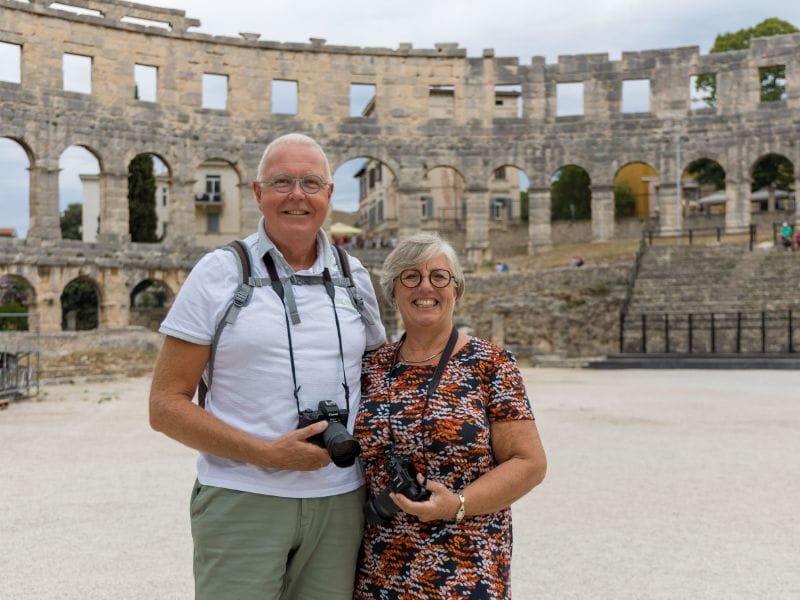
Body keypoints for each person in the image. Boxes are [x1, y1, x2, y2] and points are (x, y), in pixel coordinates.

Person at [149, 133, 385, 600]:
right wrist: (266, 454)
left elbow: (381, 380)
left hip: (339, 500)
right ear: (258, 193)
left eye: (311, 183)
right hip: (243, 497)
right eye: (282, 182)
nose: (297, 195)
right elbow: (164, 405)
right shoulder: (218, 272)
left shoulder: (354, 275)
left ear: (329, 194)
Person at [354, 232, 547, 599]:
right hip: (381, 565)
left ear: (456, 289)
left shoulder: (491, 364)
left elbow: (529, 463)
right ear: (393, 292)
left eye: (439, 276)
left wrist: (458, 505)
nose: (425, 286)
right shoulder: (372, 366)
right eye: (410, 276)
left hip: (465, 562)